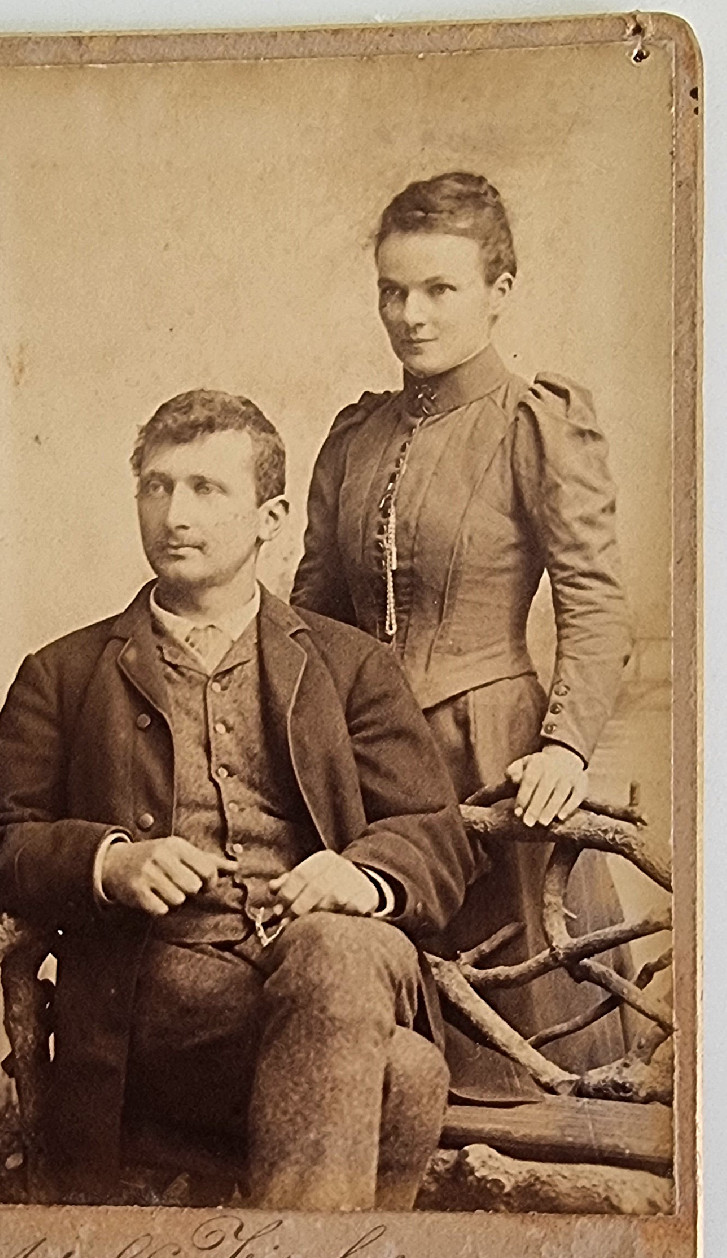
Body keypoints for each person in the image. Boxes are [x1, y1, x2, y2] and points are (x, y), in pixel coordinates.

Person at [0, 389, 475, 1209]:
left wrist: (362, 878)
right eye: (155, 487)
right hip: (159, 994)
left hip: (331, 966)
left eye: (205, 489)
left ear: (271, 517)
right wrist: (106, 860)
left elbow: (434, 838)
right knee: (405, 1076)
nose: (173, 513)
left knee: (337, 950)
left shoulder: (350, 665)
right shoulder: (66, 671)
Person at [291, 173, 634, 1101]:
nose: (409, 314)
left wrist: (563, 744)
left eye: (438, 289)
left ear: (500, 289)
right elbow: (309, 616)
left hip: (492, 755)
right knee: (360, 1029)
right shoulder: (354, 437)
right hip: (363, 765)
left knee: (519, 1040)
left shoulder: (537, 423)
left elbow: (596, 603)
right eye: (392, 290)